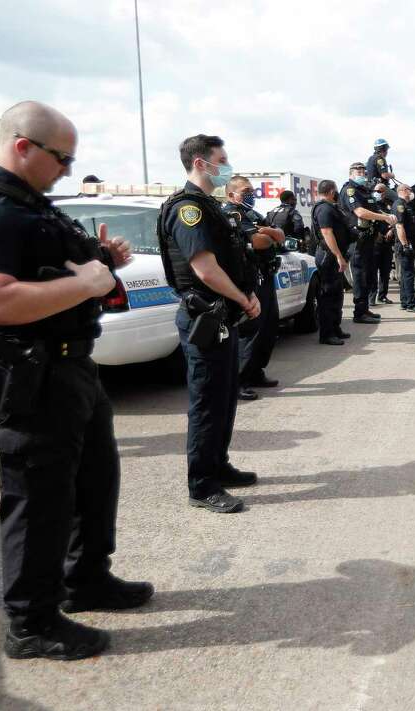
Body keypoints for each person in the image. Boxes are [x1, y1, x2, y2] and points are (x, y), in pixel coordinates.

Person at [0, 101, 151, 660]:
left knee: (91, 482)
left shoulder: (29, 204)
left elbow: (57, 271)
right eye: (62, 157)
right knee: (38, 498)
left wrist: (102, 262)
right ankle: (32, 623)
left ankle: (87, 580)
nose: (67, 167)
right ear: (22, 146)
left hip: (71, 363)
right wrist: (86, 284)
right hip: (29, 370)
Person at [160, 133, 261, 515]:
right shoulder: (189, 209)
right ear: (201, 163)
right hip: (205, 315)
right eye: (222, 159)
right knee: (206, 403)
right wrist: (243, 298)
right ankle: (202, 485)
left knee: (224, 396)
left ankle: (218, 465)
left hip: (221, 316)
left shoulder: (208, 204)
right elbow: (204, 268)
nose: (227, 165)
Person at [224, 176, 285, 401]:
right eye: (245, 190)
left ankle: (256, 371)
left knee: (269, 327)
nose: (251, 194)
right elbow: (260, 242)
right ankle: (240, 380)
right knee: (251, 330)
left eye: (251, 190)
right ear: (232, 195)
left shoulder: (253, 214)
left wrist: (265, 231)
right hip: (251, 278)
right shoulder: (234, 213)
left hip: (266, 275)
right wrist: (268, 234)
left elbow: (280, 235)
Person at [340, 162, 395, 323]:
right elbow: (360, 212)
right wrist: (385, 217)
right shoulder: (350, 190)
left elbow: (375, 210)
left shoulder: (364, 191)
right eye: (358, 171)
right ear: (351, 173)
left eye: (364, 171)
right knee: (359, 276)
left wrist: (387, 216)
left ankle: (365, 309)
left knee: (368, 275)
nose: (362, 173)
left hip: (369, 240)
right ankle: (359, 313)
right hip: (357, 240)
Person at [311, 180, 355, 345]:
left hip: (334, 255)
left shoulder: (331, 207)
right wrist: (338, 256)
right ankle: (327, 334)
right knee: (328, 296)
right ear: (331, 191)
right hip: (328, 256)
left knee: (337, 294)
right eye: (335, 191)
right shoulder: (324, 209)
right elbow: (327, 233)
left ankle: (336, 328)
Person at [393, 184, 415, 313]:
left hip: (408, 243)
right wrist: (406, 245)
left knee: (406, 274)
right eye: (410, 190)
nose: (411, 193)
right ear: (404, 191)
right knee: (408, 275)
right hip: (405, 245)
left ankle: (405, 301)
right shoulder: (400, 205)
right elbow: (399, 226)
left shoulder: (405, 205)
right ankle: (411, 303)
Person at [372, 183, 395, 305]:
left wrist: (391, 230)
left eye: (380, 191)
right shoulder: (370, 204)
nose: (377, 193)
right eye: (376, 190)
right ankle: (371, 297)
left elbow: (394, 220)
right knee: (372, 271)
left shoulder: (388, 205)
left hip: (387, 243)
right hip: (375, 243)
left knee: (385, 271)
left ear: (384, 192)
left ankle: (383, 295)